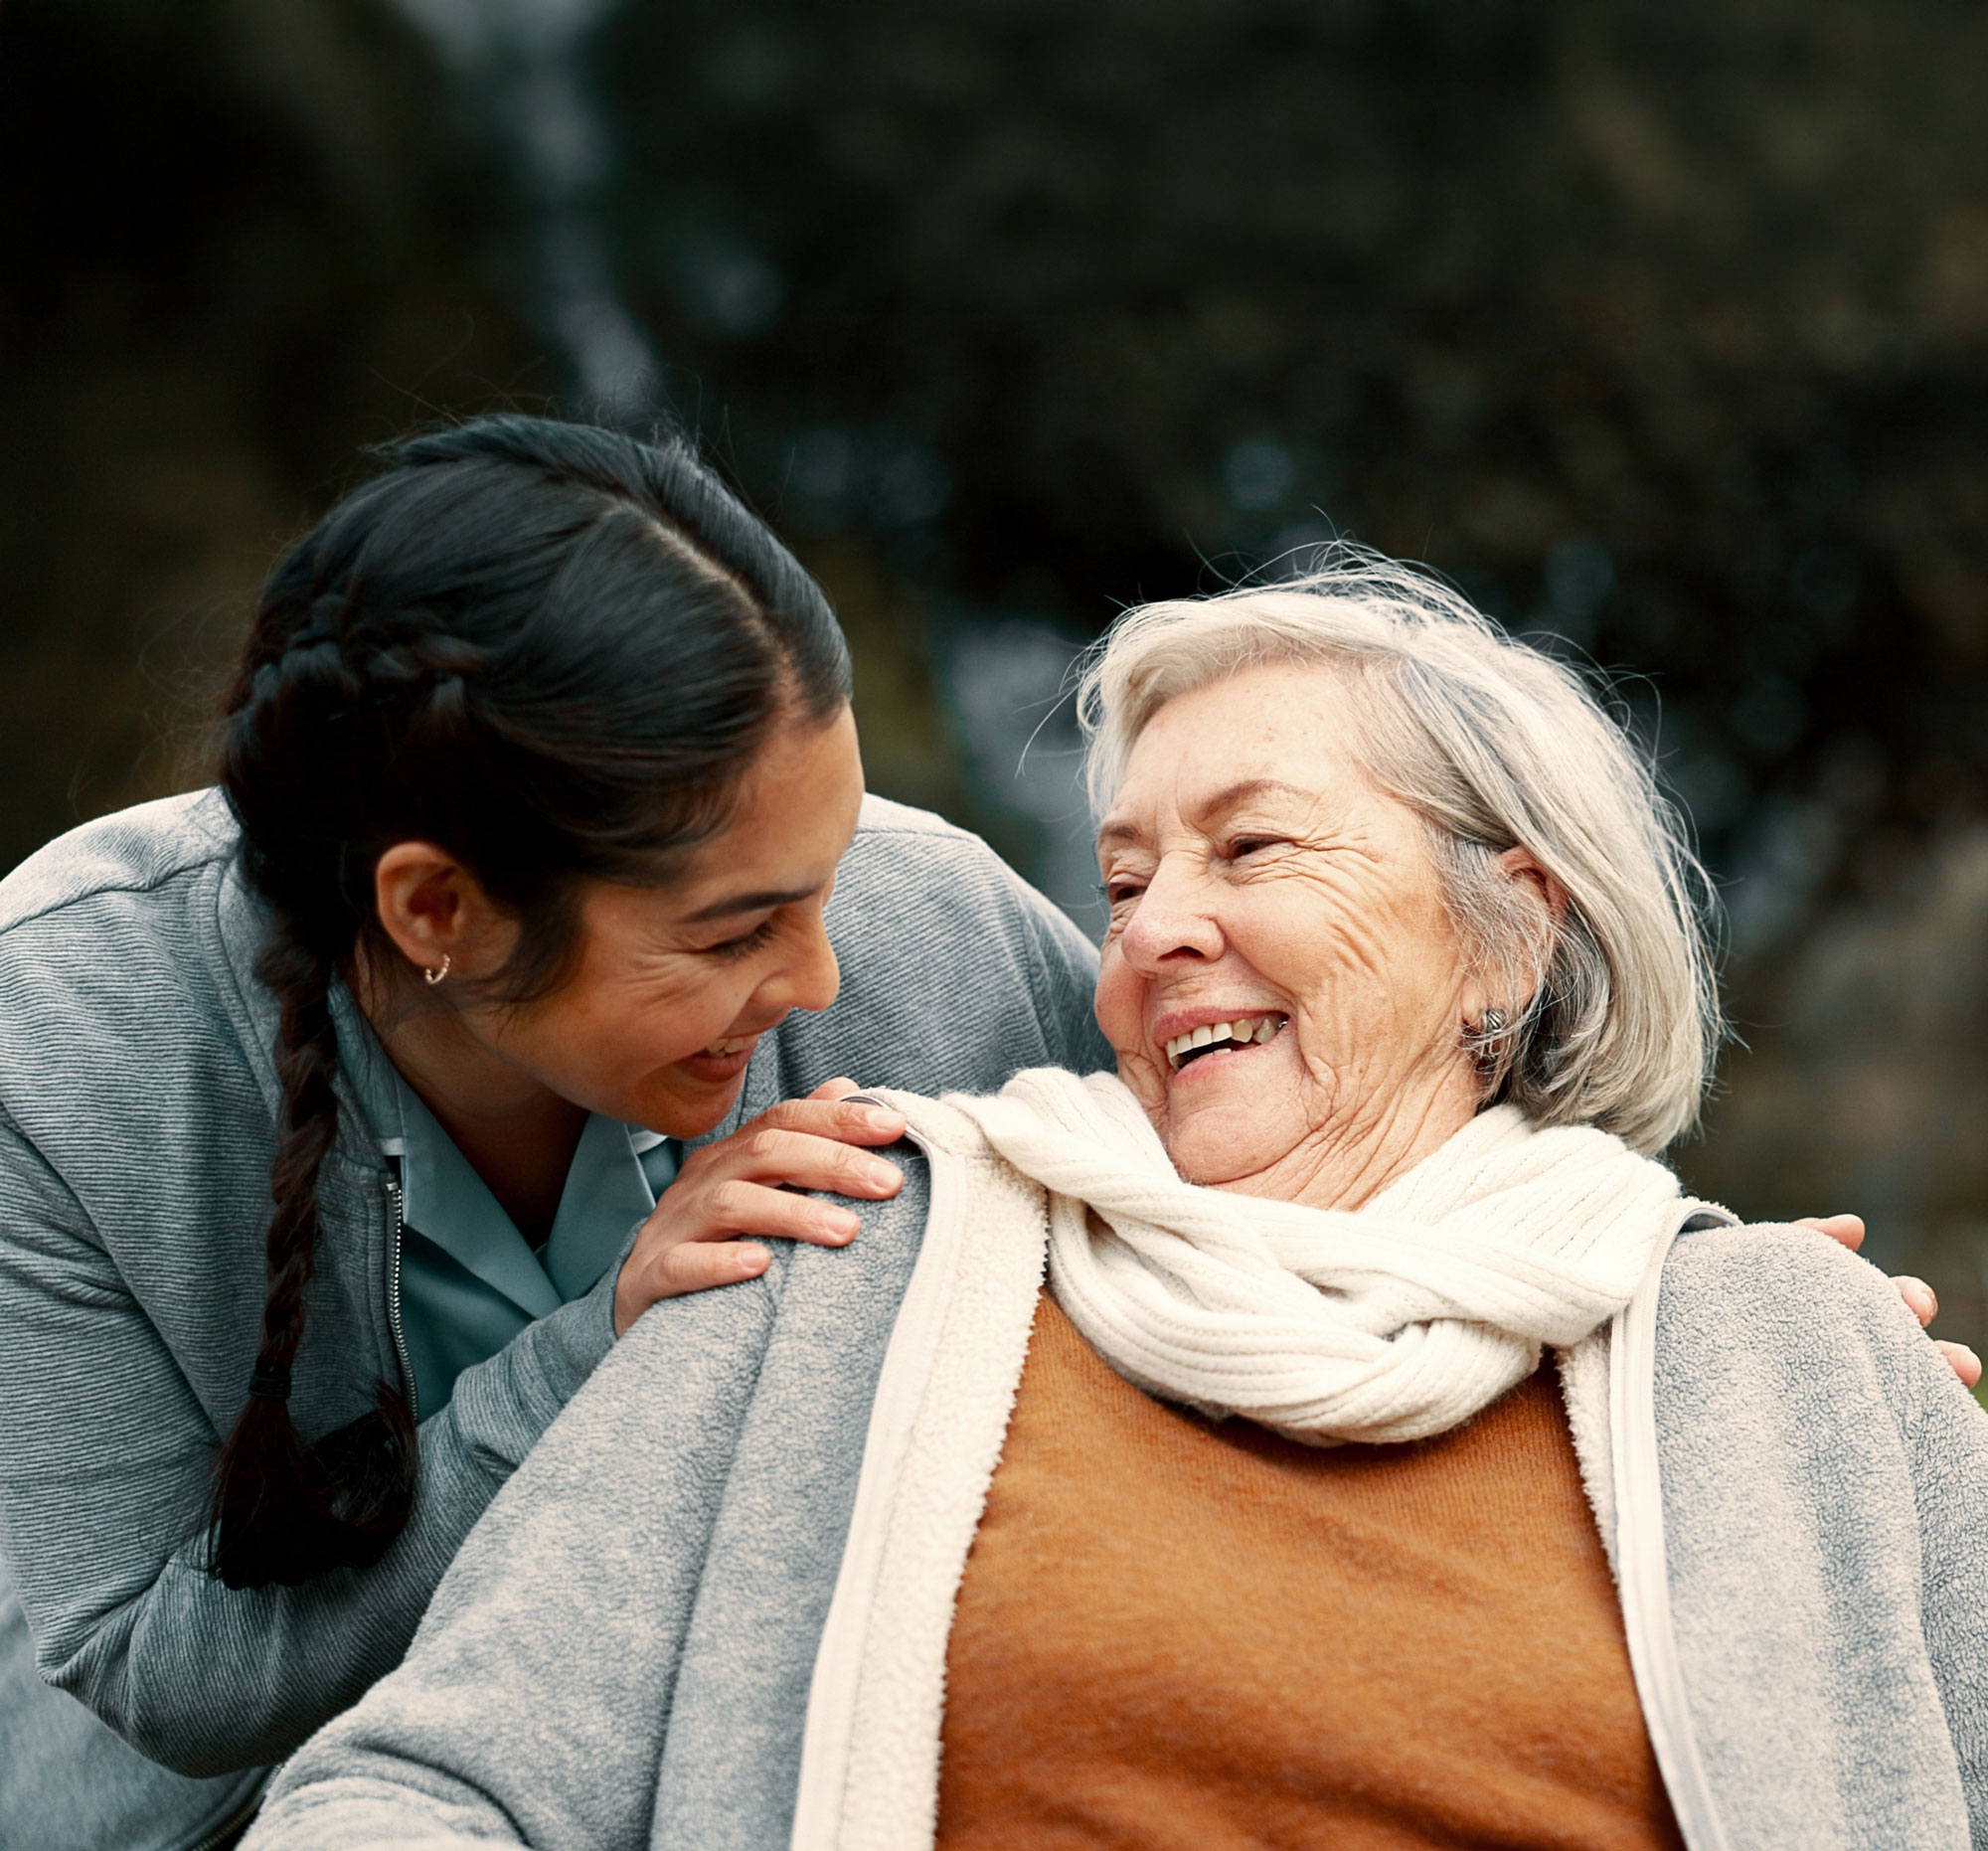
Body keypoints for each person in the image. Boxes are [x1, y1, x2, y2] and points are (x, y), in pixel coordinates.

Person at [247, 554, 1988, 1851]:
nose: (1152, 931)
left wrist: (1839, 1373)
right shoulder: (855, 1249)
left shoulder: (1781, 1355)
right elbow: (417, 1792)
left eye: (1254, 848)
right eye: (1128, 876)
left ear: (1513, 935)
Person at [0, 416, 1106, 1848]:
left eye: (828, 877)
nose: (821, 980)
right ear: (434, 912)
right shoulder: (61, 1033)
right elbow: (161, 1669)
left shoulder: (932, 925)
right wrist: (608, 1345)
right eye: (732, 932)